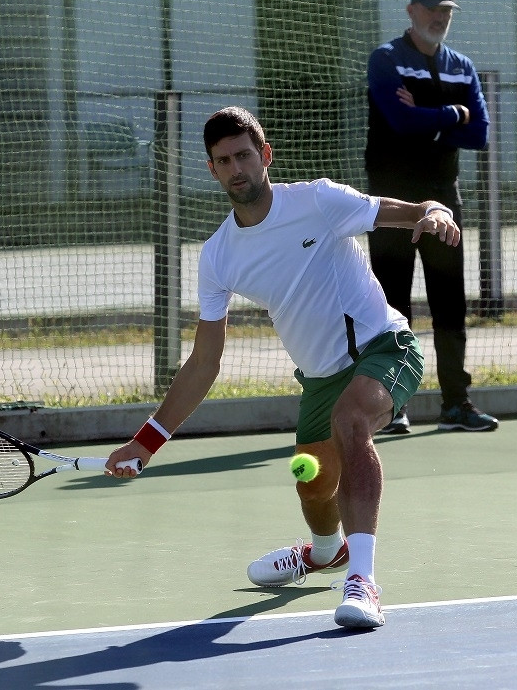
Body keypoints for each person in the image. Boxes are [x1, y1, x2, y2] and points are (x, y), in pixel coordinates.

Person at [105, 106, 462, 629]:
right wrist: (147, 441)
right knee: (313, 485)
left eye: (244, 155)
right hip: (319, 380)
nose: (236, 168)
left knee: (352, 422)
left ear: (265, 156)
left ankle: (362, 583)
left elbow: (415, 209)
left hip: (383, 348)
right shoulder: (218, 257)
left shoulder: (317, 201)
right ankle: (323, 553)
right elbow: (205, 360)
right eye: (223, 160)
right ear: (212, 170)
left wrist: (438, 214)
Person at [365, 0, 499, 434]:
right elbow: (399, 123)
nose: (440, 17)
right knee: (391, 307)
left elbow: (479, 133)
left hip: (445, 200)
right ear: (412, 11)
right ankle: (391, 407)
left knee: (449, 305)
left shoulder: (461, 66)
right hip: (391, 203)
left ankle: (456, 405)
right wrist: (451, 114)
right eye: (432, 9)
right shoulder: (385, 59)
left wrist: (431, 118)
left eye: (447, 10)